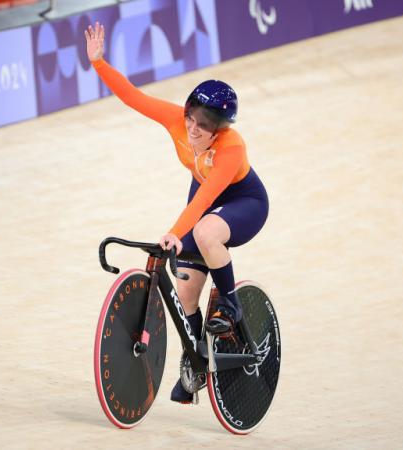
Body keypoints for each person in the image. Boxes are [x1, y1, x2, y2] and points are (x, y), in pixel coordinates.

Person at [85, 22, 269, 404]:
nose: (194, 129)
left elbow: (203, 203)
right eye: (191, 118)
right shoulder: (177, 120)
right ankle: (196, 361)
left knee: (203, 232)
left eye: (206, 126)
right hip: (205, 198)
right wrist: (99, 63)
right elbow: (133, 97)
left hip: (243, 202)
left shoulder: (231, 148)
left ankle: (231, 305)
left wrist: (173, 230)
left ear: (221, 130)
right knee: (185, 293)